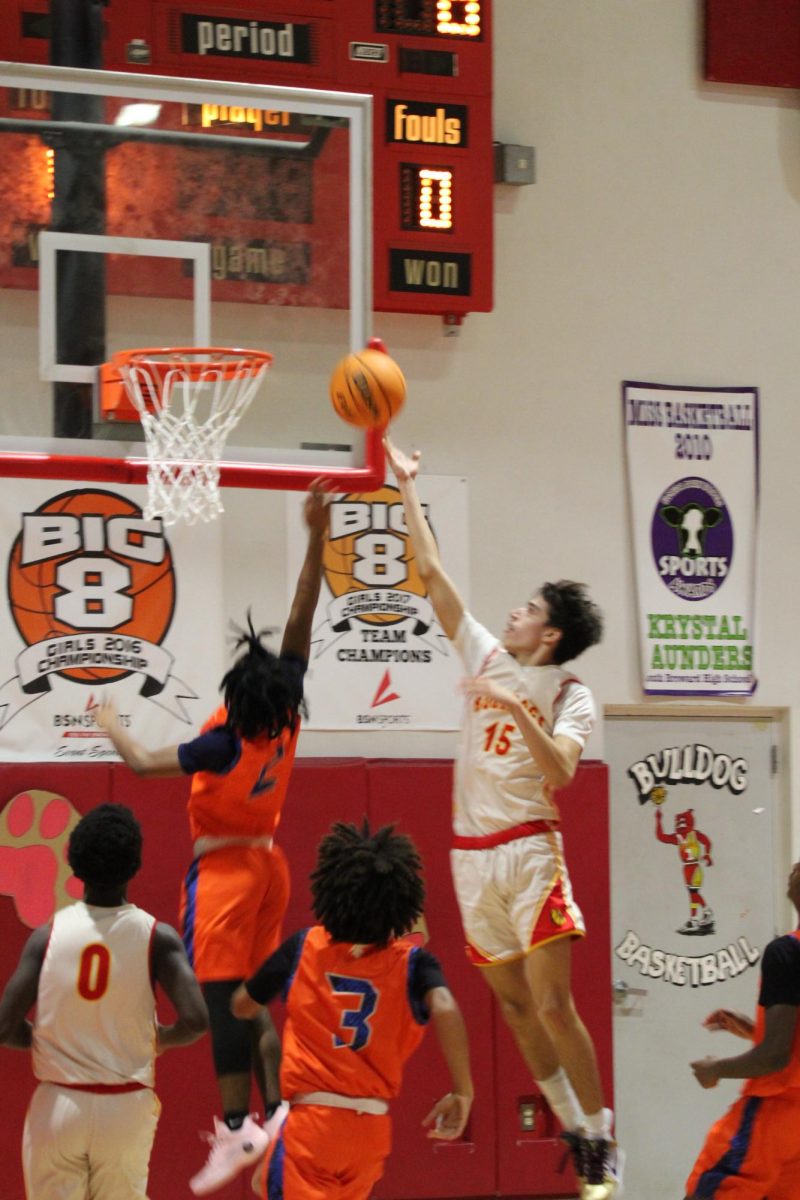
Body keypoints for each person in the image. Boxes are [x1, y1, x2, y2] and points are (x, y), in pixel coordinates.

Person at [383, 436, 620, 1200]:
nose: (513, 611)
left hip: (528, 850)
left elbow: (563, 772)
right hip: (469, 857)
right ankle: (573, 1131)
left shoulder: (569, 693)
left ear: (548, 636)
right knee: (515, 1006)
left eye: (530, 609)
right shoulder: (486, 654)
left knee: (554, 1002)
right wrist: (404, 486)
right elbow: (432, 576)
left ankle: (602, 1132)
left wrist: (516, 704)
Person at [95, 481, 331, 1196]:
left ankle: (236, 1128)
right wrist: (316, 536)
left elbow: (139, 764)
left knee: (229, 1000)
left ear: (236, 695)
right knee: (258, 1002)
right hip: (271, 868)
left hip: (226, 875)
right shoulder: (286, 714)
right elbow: (301, 616)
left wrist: (110, 722)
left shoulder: (222, 743)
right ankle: (279, 1112)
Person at [231, 818, 474, 1200]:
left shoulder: (305, 945)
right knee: (263, 1181)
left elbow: (243, 1005)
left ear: (330, 889)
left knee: (265, 1181)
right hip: (370, 1130)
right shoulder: (412, 963)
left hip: (314, 1123)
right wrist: (463, 1091)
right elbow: (444, 1006)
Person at [0, 803, 208, 1200]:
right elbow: (196, 1020)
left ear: (75, 867)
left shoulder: (46, 936)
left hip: (59, 1101)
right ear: (134, 866)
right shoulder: (157, 937)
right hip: (125, 1105)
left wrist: (48, 1040)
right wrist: (161, 1038)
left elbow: (3, 1027)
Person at [684, 859, 800, 1199]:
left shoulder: (787, 951)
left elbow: (776, 1057)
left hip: (774, 1113)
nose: (793, 867)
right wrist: (755, 1030)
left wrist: (716, 1069)